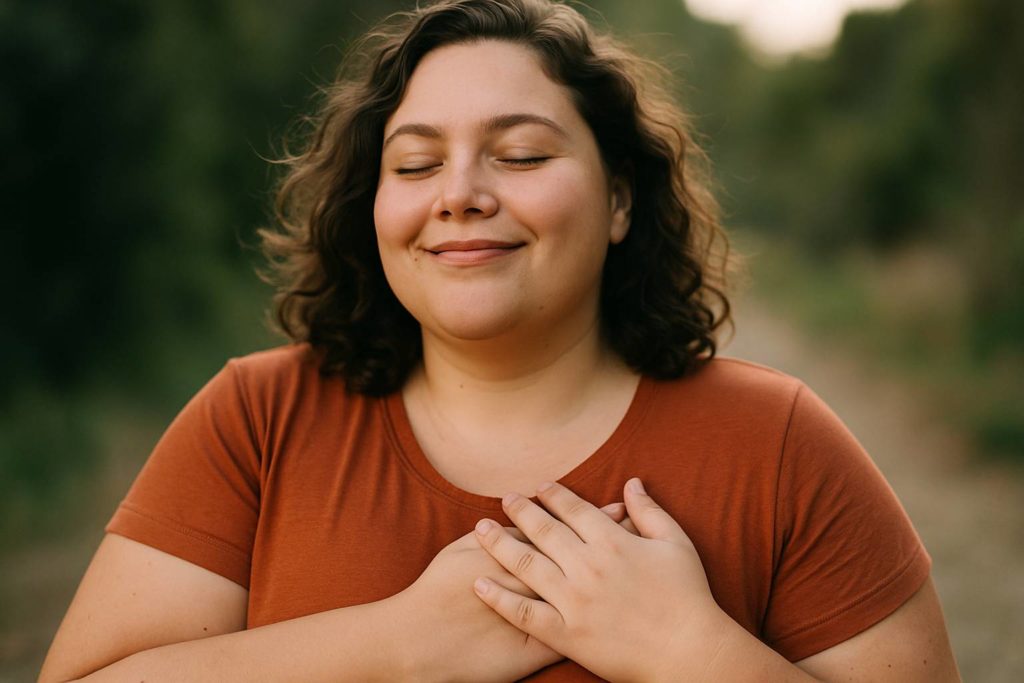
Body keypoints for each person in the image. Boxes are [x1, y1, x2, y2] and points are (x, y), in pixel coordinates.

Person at [40, 0, 960, 680]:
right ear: (376, 206)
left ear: (620, 201)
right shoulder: (257, 417)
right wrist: (405, 644)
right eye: (416, 162)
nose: (460, 192)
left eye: (520, 154)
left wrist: (691, 651)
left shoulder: (777, 443)